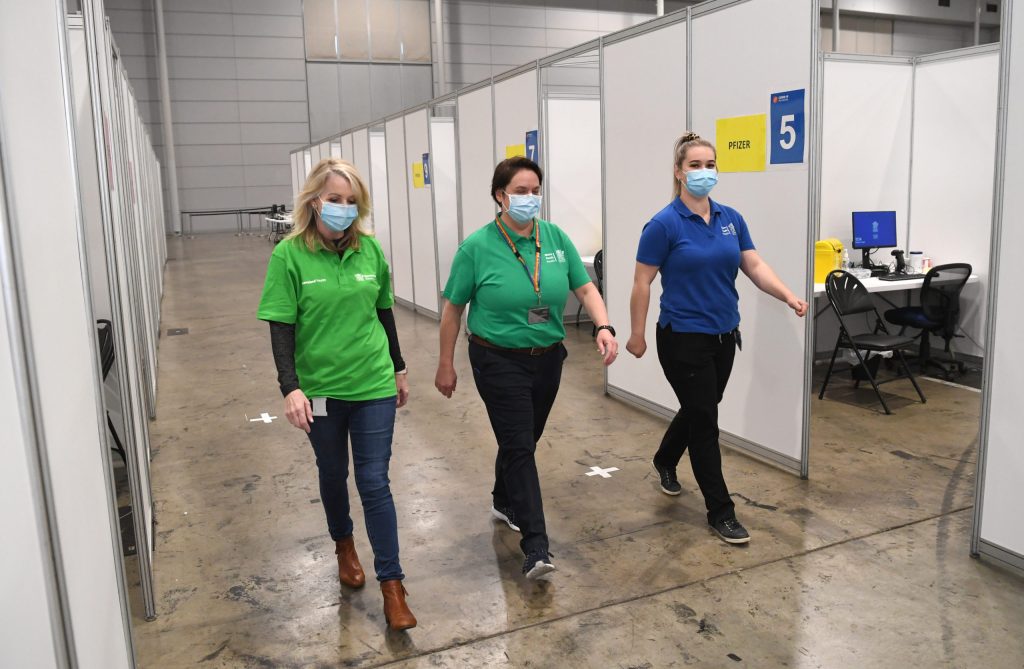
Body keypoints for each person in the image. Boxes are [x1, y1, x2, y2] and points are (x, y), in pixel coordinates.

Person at [434, 157, 619, 579]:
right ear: (500, 196)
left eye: (535, 190)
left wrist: (603, 325)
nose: (529, 198)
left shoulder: (554, 237)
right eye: (520, 191)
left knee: (524, 440)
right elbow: (452, 310)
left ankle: (503, 498)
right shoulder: (476, 248)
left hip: (548, 356)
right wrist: (446, 364)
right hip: (497, 358)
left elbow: (585, 286)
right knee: (520, 445)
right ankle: (536, 546)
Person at [257, 158, 416, 631]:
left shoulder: (370, 251)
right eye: (335, 199)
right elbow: (281, 326)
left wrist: (400, 368)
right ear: (314, 201)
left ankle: (393, 585)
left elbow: (384, 313)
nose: (344, 209)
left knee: (373, 481)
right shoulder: (289, 256)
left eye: (351, 202)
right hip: (321, 389)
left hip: (372, 382)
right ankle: (343, 544)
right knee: (332, 473)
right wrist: (291, 388)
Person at [626, 132, 808, 545]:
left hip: (725, 336)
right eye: (695, 165)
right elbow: (642, 283)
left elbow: (754, 265)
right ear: (678, 172)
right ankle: (720, 511)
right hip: (682, 337)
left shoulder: (731, 218)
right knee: (706, 421)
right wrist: (637, 334)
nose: (704, 172)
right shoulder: (663, 224)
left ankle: (664, 458)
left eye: (710, 165)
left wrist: (787, 295)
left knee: (699, 409)